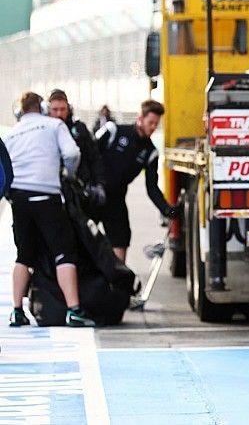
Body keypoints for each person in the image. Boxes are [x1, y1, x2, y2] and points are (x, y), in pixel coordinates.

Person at [5, 91, 96, 327]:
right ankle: (74, 309)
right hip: (46, 194)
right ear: (43, 108)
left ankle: (17, 310)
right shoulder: (54, 125)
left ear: (19, 112)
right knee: (63, 251)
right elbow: (72, 153)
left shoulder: (12, 133)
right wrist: (68, 172)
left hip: (19, 197)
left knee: (23, 254)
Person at [94, 99, 178, 263]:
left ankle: (117, 281)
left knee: (122, 238)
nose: (153, 127)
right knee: (79, 234)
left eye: (156, 124)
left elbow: (152, 188)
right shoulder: (114, 131)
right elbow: (89, 153)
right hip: (94, 194)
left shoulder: (150, 152)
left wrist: (167, 209)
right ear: (140, 118)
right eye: (150, 122)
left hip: (116, 199)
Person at [47, 90, 107, 207]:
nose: (59, 114)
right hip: (52, 188)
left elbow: (94, 157)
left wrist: (99, 184)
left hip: (78, 187)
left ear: (68, 109)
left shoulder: (80, 129)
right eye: (55, 109)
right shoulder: (43, 130)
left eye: (63, 109)